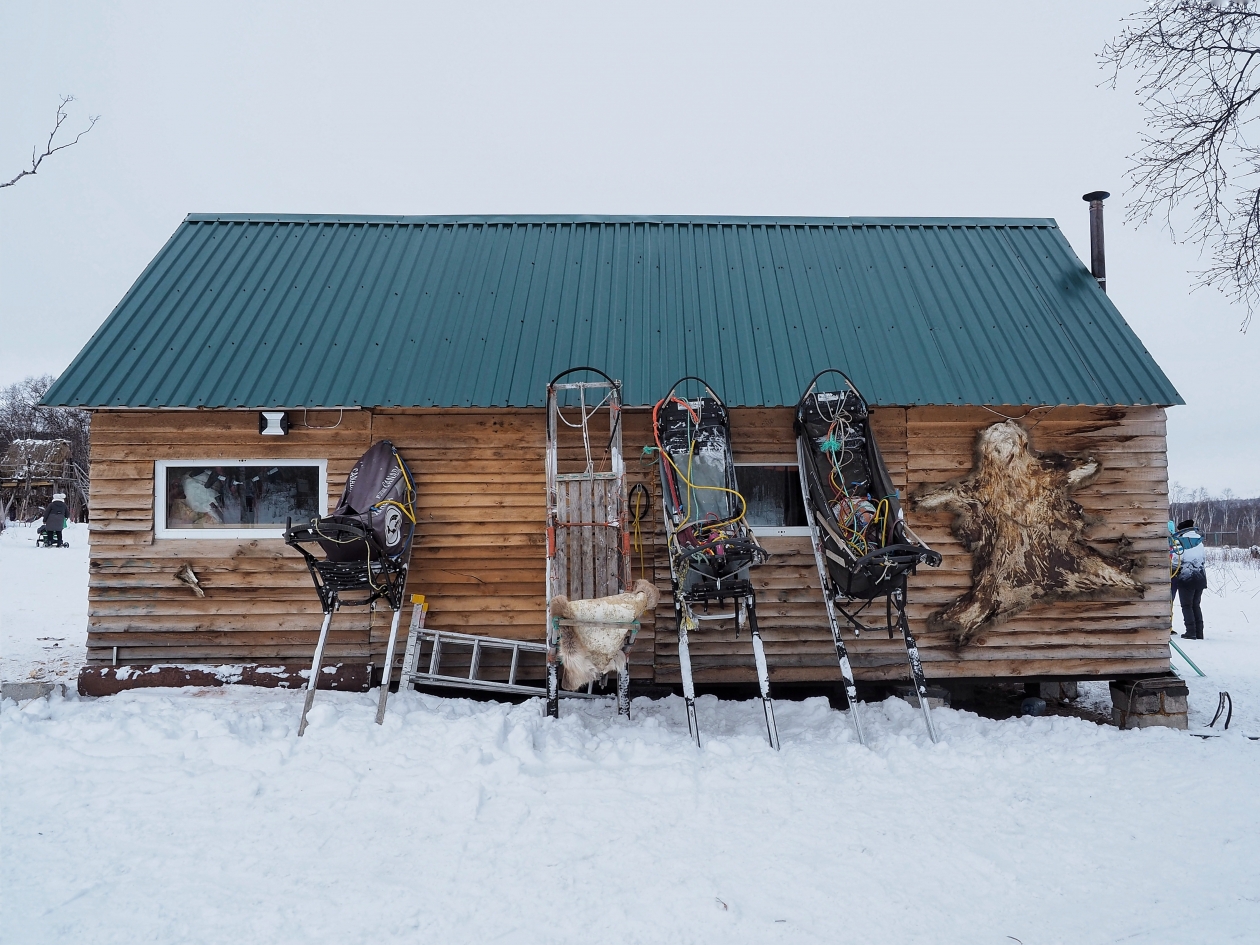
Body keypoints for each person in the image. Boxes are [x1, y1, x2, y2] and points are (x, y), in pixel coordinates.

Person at [1171, 518, 1207, 639]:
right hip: (1200, 577)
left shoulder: (1181, 542)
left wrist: (1171, 573)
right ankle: (1199, 632)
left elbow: (1176, 562)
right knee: (1196, 605)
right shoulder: (1199, 542)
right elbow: (1203, 559)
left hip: (1187, 578)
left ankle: (1190, 631)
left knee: (1187, 605)